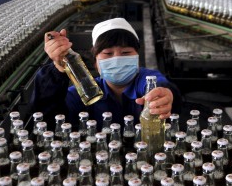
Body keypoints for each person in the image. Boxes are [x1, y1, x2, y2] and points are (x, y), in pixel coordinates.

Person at [30, 17, 181, 128]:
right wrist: (58, 66)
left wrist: (165, 96)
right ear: (96, 63)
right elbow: (48, 114)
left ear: (137, 58)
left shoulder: (146, 80)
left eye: (126, 52)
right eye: (108, 54)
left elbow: (160, 86)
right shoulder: (86, 92)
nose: (117, 59)